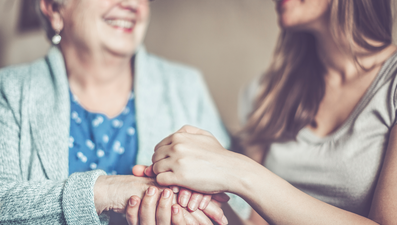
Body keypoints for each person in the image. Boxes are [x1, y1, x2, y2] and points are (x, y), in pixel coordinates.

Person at [146, 0, 397, 224]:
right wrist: (205, 205)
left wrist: (236, 170)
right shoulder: (266, 92)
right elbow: (254, 222)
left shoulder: (394, 83)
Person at [0, 0, 240, 224]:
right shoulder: (9, 90)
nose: (132, 4)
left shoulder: (187, 86)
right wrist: (109, 191)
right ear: (54, 8)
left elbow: (236, 209)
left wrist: (199, 199)